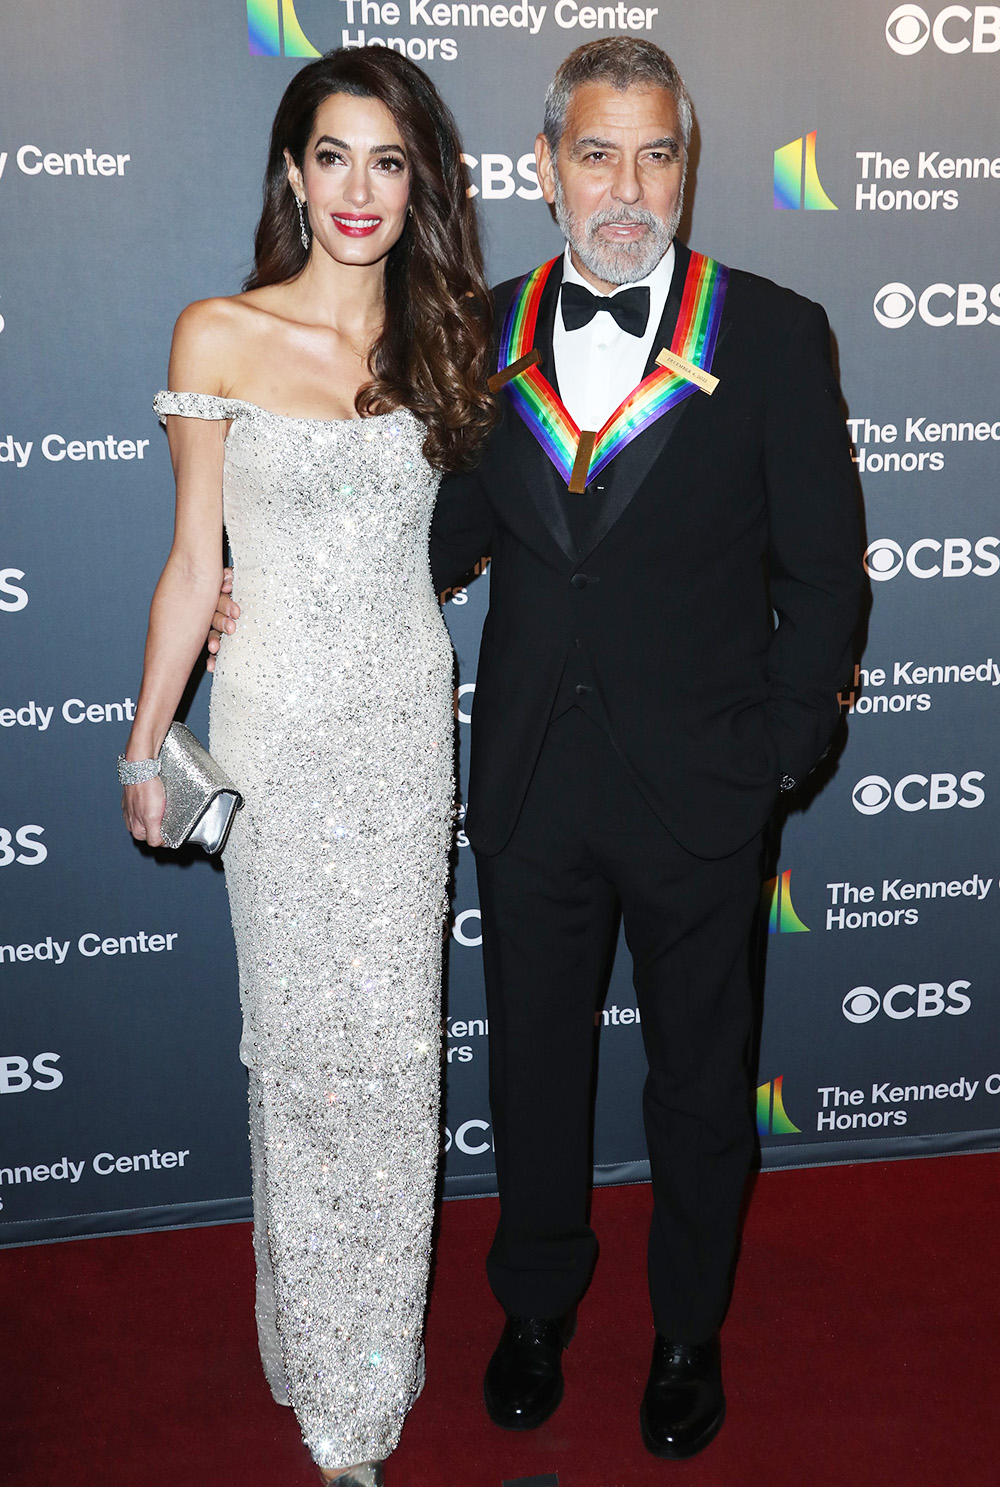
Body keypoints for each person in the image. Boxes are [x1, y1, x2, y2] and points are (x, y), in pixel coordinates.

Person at [212, 36, 863, 1464]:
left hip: (704, 789)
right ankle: (536, 1308)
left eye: (656, 155)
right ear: (544, 169)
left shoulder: (770, 331)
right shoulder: (480, 332)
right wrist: (256, 575)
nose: (626, 188)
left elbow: (825, 580)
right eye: (596, 154)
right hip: (523, 788)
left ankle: (688, 1331)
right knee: (533, 1079)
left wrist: (776, 759)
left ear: (686, 170)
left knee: (701, 1081)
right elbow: (433, 542)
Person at [120, 48, 494, 1486]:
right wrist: (144, 748)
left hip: (403, 729)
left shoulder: (450, 335)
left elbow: (480, 528)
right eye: (332, 157)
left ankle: (351, 1371)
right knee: (299, 1049)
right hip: (275, 729)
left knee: (392, 1060)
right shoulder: (216, 331)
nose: (359, 190)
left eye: (388, 162)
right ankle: (326, 1361)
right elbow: (189, 564)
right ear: (291, 171)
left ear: (421, 186)